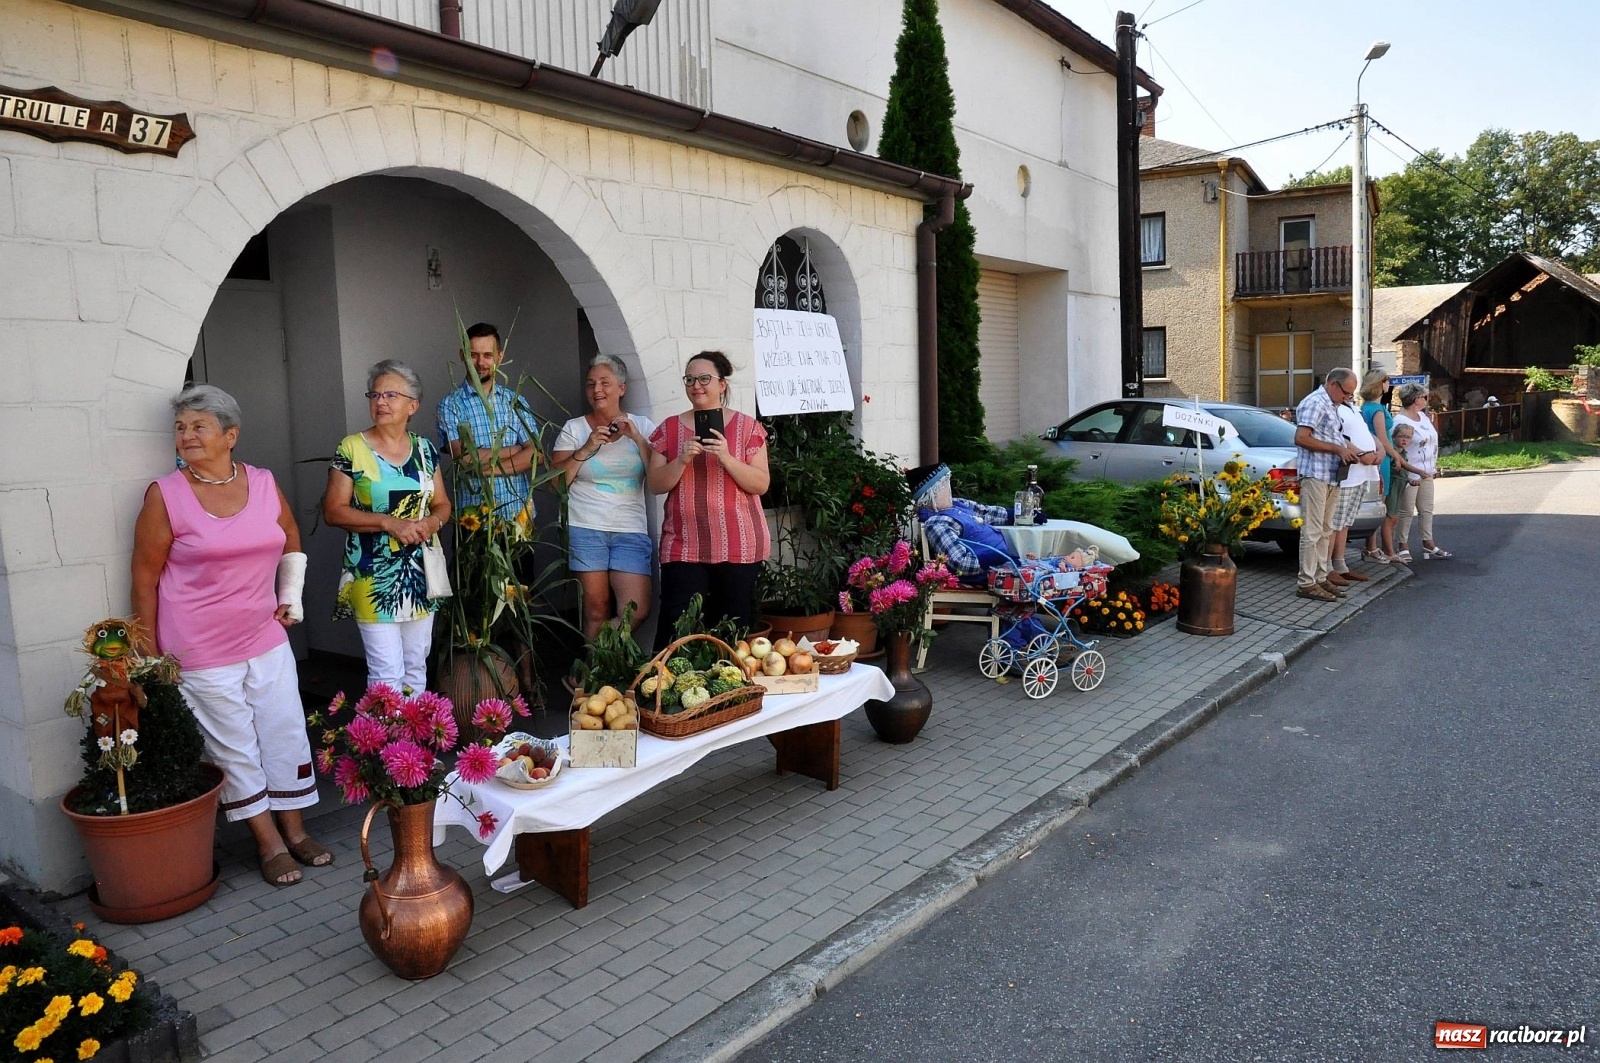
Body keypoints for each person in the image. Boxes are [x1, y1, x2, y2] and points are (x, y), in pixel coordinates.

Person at [131, 384, 327, 888]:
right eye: (180, 427)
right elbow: (145, 578)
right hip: (199, 647)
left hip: (264, 635)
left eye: (199, 426)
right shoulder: (165, 495)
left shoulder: (261, 482)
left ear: (230, 435)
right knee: (234, 746)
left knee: (283, 730)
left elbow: (290, 539)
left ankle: (297, 829)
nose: (187, 435)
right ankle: (269, 844)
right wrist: (149, 658)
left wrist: (292, 595)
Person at [324, 360, 452, 694]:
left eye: (391, 395)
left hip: (420, 571)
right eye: (375, 394)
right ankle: (386, 745)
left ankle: (414, 743)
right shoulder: (351, 448)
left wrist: (432, 522)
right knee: (386, 672)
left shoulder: (424, 449)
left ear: (413, 405)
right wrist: (387, 522)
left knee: (415, 664)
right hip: (372, 573)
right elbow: (333, 511)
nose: (380, 402)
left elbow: (442, 503)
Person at [647, 351, 770, 648]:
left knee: (732, 628)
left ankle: (731, 694)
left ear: (722, 384)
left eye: (705, 379)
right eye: (690, 379)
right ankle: (666, 690)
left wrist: (726, 457)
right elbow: (655, 484)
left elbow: (761, 483)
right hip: (684, 544)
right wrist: (681, 460)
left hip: (738, 543)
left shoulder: (747, 427)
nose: (696, 386)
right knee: (676, 627)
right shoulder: (669, 428)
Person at [551, 354, 658, 640]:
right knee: (596, 609)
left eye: (605, 383)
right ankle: (591, 678)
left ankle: (593, 666)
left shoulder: (643, 426)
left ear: (621, 388)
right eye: (591, 384)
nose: (597, 390)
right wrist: (585, 449)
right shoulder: (574, 429)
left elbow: (657, 478)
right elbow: (555, 485)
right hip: (586, 526)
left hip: (630, 528)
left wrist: (637, 438)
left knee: (636, 610)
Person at [435, 322, 537, 523]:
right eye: (473, 354)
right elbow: (464, 459)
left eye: (488, 355)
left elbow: (536, 455)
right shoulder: (451, 404)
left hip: (518, 520)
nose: (480, 362)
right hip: (473, 523)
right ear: (462, 355)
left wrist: (486, 471)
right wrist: (516, 450)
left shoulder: (515, 401)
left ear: (500, 356)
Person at [1292, 368, 1364, 602]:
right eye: (1346, 392)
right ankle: (1306, 582)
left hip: (1331, 474)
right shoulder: (1315, 402)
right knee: (1312, 531)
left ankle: (1321, 577)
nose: (1347, 398)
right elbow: (1301, 438)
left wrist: (1352, 450)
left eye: (1350, 394)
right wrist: (1337, 449)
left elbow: (1333, 436)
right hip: (1315, 474)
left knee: (1326, 529)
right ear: (1332, 384)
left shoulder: (1332, 405)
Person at [908, 463, 1021, 584]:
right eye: (943, 485)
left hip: (1000, 564)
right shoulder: (937, 523)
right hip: (985, 574)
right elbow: (960, 563)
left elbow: (984, 512)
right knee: (1036, 581)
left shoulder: (956, 504)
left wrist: (1017, 515)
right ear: (929, 495)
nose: (948, 490)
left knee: (1041, 568)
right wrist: (994, 558)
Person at [1326, 392, 1382, 586]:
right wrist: (1360, 453)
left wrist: (1380, 449)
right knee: (1335, 521)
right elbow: (1336, 436)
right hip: (1348, 472)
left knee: (1346, 521)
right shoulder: (1334, 409)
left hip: (1363, 473)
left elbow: (1367, 433)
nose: (1350, 394)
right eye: (1347, 390)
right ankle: (1327, 567)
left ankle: (1340, 564)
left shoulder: (1353, 408)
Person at [1392, 383, 1450, 560]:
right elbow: (1397, 448)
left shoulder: (1423, 418)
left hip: (1427, 471)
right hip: (1410, 471)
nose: (1426, 400)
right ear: (1416, 399)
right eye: (1424, 397)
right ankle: (1402, 544)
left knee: (1426, 509)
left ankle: (1428, 542)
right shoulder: (1400, 421)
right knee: (1406, 510)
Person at [1357, 370, 1400, 562]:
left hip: (1371, 455)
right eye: (1386, 381)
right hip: (1381, 458)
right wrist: (1397, 457)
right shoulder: (1377, 409)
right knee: (1378, 503)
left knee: (1372, 503)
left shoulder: (1364, 407)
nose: (1388, 384)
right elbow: (1383, 439)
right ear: (1380, 384)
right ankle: (1372, 547)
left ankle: (1372, 546)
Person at [1380, 421, 1419, 564]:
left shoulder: (1403, 452)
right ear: (1394, 436)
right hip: (1392, 488)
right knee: (1390, 518)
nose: (1405, 440)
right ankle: (1390, 552)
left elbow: (1401, 472)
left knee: (1394, 518)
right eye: (1401, 436)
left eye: (1408, 437)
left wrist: (1409, 480)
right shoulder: (1393, 451)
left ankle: (1387, 550)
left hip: (1399, 486)